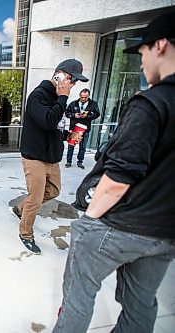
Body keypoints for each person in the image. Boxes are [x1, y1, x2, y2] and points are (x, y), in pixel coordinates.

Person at [53, 11, 175, 333]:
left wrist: (87, 222)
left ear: (160, 45)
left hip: (121, 226)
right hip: (164, 234)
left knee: (78, 299)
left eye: (143, 52)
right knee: (140, 308)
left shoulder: (151, 104)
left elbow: (119, 177)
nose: (141, 62)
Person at [13, 59, 88, 254]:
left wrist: (68, 135)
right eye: (71, 79)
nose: (72, 85)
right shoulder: (38, 96)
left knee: (53, 192)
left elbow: (55, 128)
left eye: (75, 82)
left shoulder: (58, 99)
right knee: (36, 198)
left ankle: (22, 208)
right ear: (59, 75)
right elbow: (47, 121)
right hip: (35, 157)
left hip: (51, 157)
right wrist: (63, 97)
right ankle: (26, 233)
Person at [64, 88, 100, 169]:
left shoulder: (93, 104)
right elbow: (66, 113)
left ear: (88, 96)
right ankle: (68, 161)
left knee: (83, 147)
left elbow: (97, 114)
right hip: (74, 128)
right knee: (71, 145)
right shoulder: (73, 104)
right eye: (82, 97)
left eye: (85, 97)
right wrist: (74, 115)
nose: (83, 99)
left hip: (85, 129)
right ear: (79, 96)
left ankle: (80, 161)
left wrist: (88, 116)